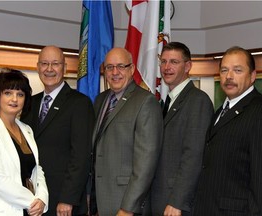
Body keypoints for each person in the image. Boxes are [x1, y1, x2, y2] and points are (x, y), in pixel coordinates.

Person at [21, 45, 94, 216]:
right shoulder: (30, 104)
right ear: (38, 67)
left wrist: (68, 198)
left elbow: (81, 156)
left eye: (55, 64)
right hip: (32, 199)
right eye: (44, 63)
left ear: (65, 68)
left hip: (62, 202)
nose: (49, 69)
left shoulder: (80, 103)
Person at [90, 47, 163, 216]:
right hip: (100, 201)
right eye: (109, 67)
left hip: (126, 204)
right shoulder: (100, 100)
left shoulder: (146, 102)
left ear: (131, 69)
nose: (115, 72)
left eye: (121, 66)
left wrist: (128, 207)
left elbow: (146, 162)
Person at [193, 46, 262, 215]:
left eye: (237, 70)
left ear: (253, 76)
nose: (229, 76)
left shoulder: (258, 111)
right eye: (224, 70)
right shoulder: (220, 111)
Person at [150, 42, 214, 216]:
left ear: (188, 66)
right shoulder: (165, 102)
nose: (166, 67)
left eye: (173, 62)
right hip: (158, 198)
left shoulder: (198, 101)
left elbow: (193, 156)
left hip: (176, 204)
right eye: (163, 61)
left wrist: (177, 201)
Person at [0, 68, 48, 216]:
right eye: (8, 93)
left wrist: (42, 199)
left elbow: (37, 169)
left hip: (29, 210)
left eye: (20, 94)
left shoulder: (27, 129)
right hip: (3, 210)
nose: (15, 99)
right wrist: (32, 202)